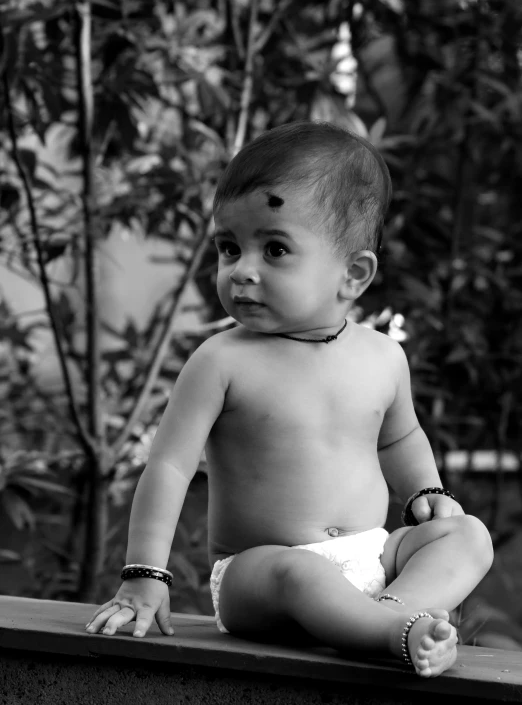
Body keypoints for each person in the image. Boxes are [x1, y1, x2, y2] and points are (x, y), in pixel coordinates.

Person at [86, 121, 493, 678]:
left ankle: (387, 615)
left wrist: (427, 490)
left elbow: (401, 437)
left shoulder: (382, 357)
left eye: (274, 248)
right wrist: (144, 575)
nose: (242, 271)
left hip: (372, 555)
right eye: (229, 248)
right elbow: (170, 466)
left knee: (467, 534)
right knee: (303, 576)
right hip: (260, 573)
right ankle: (394, 632)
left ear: (352, 274)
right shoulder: (222, 361)